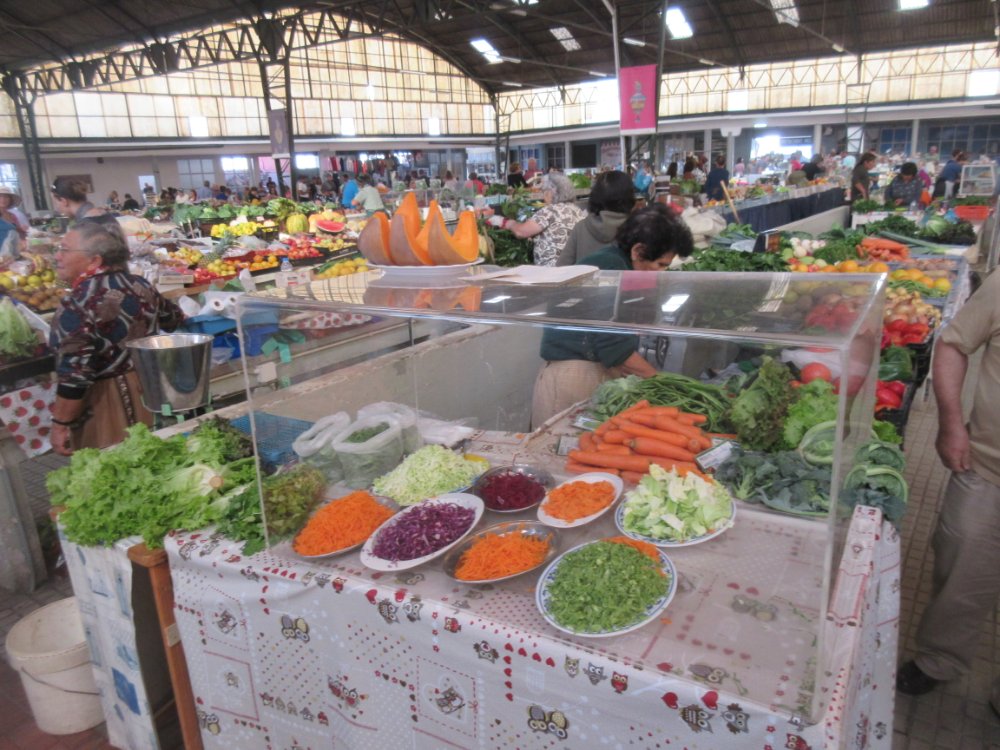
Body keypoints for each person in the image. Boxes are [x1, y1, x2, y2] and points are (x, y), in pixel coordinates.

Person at [895, 270, 1000, 713]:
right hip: (988, 468)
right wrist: (952, 424)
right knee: (962, 570)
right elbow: (953, 345)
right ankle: (939, 659)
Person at [531, 204, 694, 425]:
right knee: (564, 443)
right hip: (574, 375)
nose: (662, 272)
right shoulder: (609, 268)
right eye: (660, 264)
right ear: (638, 251)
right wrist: (663, 383)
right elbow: (614, 347)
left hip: (593, 369)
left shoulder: (621, 265)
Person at [48, 223, 184, 455]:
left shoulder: (78, 303)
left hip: (108, 406)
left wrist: (60, 424)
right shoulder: (139, 284)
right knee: (161, 457)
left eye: (65, 249)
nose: (57, 256)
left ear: (94, 261)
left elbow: (75, 375)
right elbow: (172, 319)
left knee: (120, 464)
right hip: (154, 392)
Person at [486, 172, 584, 266]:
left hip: (552, 271)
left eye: (544, 191)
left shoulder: (550, 211)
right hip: (573, 268)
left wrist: (506, 222)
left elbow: (521, 232)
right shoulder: (577, 210)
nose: (544, 196)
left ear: (550, 192)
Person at [558, 170, 635, 266]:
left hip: (585, 276)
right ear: (629, 197)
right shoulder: (637, 230)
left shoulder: (580, 228)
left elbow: (562, 267)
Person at [50, 177, 122, 236]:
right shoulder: (106, 216)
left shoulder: (83, 228)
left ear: (64, 201)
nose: (56, 208)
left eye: (55, 203)